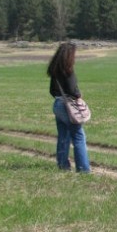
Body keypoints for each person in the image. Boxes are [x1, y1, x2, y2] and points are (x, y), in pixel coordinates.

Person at [47, 42, 91, 173]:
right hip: (68, 107)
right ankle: (83, 169)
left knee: (63, 136)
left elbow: (52, 90)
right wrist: (78, 95)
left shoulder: (55, 70)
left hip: (57, 104)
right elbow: (73, 90)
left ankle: (62, 165)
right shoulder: (68, 71)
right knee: (78, 137)